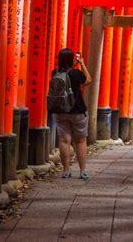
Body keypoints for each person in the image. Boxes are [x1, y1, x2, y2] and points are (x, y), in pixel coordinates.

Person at [52, 48, 92, 179]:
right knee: (80, 141)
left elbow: (65, 74)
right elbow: (88, 80)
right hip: (77, 111)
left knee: (64, 140)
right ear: (71, 60)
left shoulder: (55, 73)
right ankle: (83, 171)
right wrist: (82, 63)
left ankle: (66, 171)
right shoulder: (76, 73)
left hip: (60, 111)